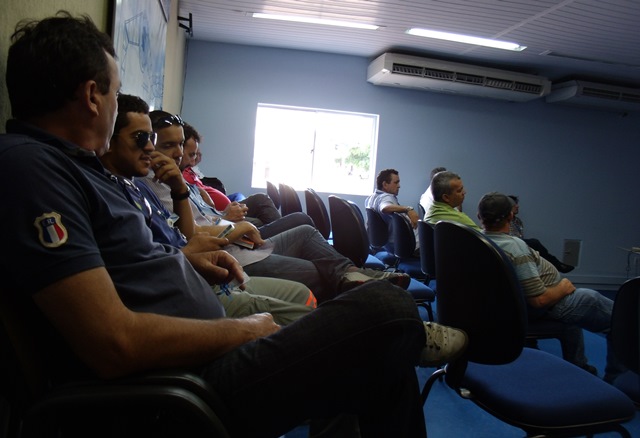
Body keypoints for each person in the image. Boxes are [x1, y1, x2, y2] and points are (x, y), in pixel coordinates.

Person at [1, 12, 469, 438]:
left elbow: (129, 265)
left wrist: (189, 263)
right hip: (179, 388)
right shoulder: (34, 170)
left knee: (382, 364)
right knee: (387, 310)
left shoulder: (78, 169)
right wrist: (244, 330)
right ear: (91, 96)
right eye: (113, 92)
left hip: (198, 356)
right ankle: (400, 326)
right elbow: (112, 344)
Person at [100, 93, 317, 325]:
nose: (149, 147)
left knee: (301, 255)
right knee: (310, 286)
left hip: (210, 263)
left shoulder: (136, 185)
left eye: (151, 138)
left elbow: (180, 237)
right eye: (141, 138)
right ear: (109, 139)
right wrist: (219, 233)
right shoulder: (124, 189)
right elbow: (156, 259)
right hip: (197, 282)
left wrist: (181, 190)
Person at [477, 192, 625, 382]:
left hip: (507, 308)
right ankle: (618, 379)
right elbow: (539, 300)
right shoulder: (515, 247)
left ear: (479, 216)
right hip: (547, 305)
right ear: (511, 216)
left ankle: (579, 367)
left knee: (574, 317)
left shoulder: (479, 240)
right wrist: (563, 287)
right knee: (620, 320)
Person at [180, 121, 281, 226]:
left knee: (260, 201)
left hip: (217, 214)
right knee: (260, 219)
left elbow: (203, 216)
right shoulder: (177, 185)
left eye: (194, 155)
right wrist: (224, 217)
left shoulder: (185, 180)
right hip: (219, 221)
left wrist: (216, 210)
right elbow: (196, 226)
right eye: (191, 155)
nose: (193, 162)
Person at [508, 195, 574, 273]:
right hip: (511, 245)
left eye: (517, 204)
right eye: (515, 204)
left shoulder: (518, 221)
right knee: (534, 242)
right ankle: (558, 265)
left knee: (536, 253)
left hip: (520, 246)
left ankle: (553, 267)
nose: (517, 206)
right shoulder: (504, 220)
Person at [365, 168, 419, 253]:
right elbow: (384, 208)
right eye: (396, 182)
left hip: (392, 245)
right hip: (406, 246)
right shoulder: (386, 197)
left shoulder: (370, 198)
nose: (399, 186)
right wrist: (408, 209)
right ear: (385, 184)